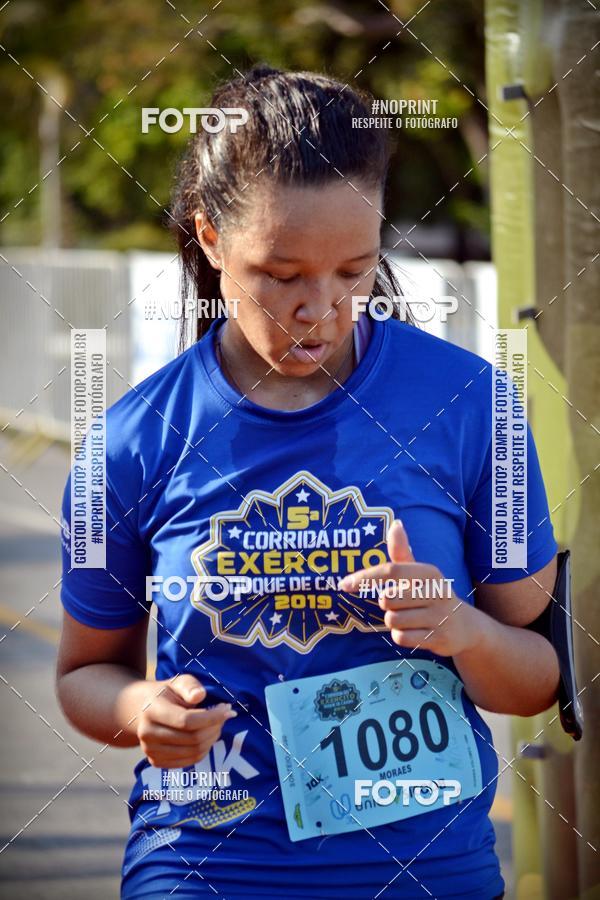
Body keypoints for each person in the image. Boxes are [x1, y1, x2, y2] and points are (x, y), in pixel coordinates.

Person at [56, 66, 560, 900]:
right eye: (283, 274)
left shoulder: (475, 407)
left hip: (427, 874)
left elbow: (539, 678)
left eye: (354, 270)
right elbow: (83, 675)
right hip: (206, 866)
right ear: (211, 237)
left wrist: (460, 628)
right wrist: (140, 710)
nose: (320, 307)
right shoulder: (130, 439)